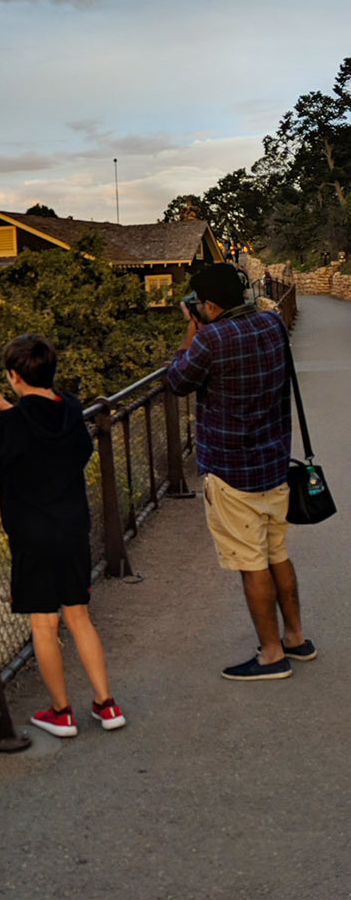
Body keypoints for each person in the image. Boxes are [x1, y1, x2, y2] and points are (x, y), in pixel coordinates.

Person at [0, 334, 125, 737]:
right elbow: (56, 438)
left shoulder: (12, 424)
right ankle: (106, 704)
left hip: (32, 535)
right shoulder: (72, 409)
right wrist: (9, 406)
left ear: (13, 376)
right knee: (80, 617)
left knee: (44, 625)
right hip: (73, 528)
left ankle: (61, 713)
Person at [164, 261, 311, 681]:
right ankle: (296, 638)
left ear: (209, 305)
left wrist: (190, 331)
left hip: (232, 471)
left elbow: (177, 381)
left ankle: (270, 655)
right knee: (277, 553)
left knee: (252, 563)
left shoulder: (211, 339)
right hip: (274, 460)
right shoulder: (271, 324)